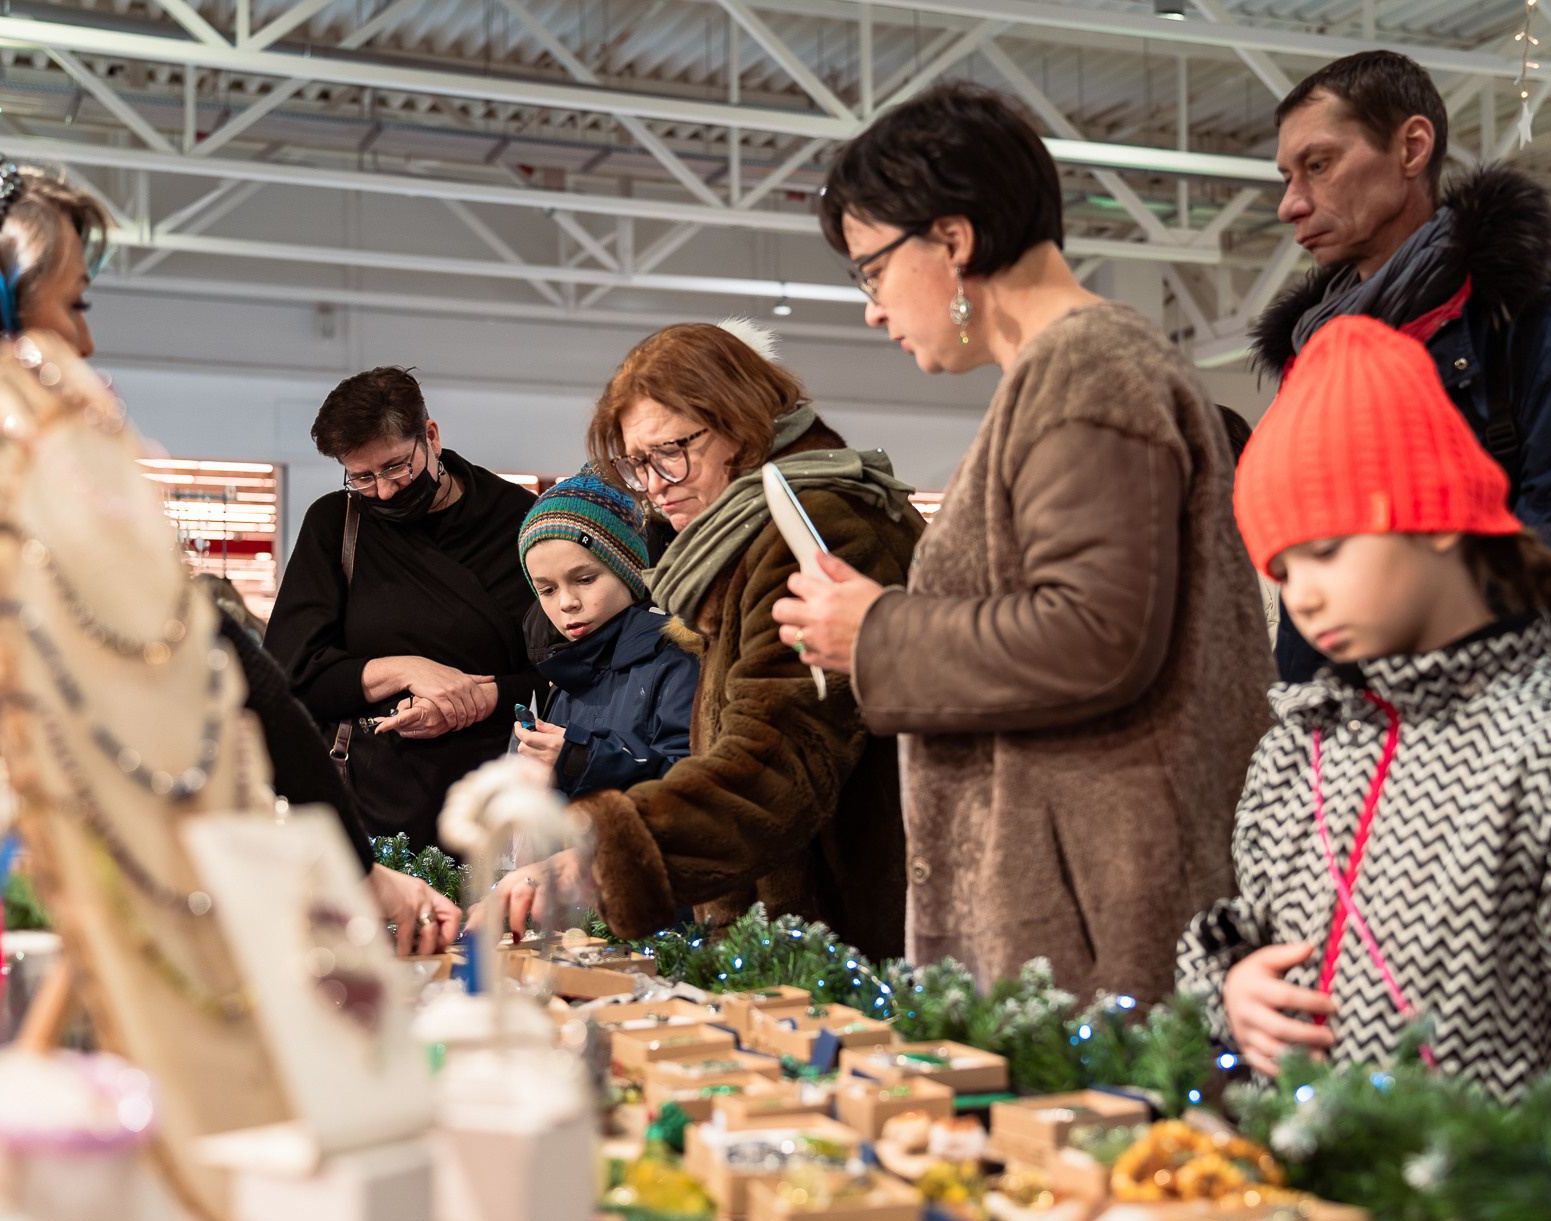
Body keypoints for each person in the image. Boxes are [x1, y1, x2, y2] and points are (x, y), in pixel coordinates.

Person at [1178, 315, 1551, 1182]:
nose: (1305, 598)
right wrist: (1231, 988)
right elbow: (1249, 934)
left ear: (1435, 517)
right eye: (1283, 572)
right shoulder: (1298, 749)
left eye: (1327, 551)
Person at [773, 85, 1273, 1004]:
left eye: (872, 271)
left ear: (953, 240)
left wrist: (878, 633)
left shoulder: (1088, 371)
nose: (874, 310)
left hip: (1097, 917)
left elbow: (1094, 633)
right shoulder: (1067, 374)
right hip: (1076, 891)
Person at [0, 137, 456, 952]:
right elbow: (250, 675)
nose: (85, 346)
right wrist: (354, 865)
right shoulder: (26, 510)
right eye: (76, 304)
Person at [1251, 51, 1551, 710]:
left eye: (1319, 165)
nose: (1290, 204)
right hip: (1342, 756)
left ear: (1411, 147)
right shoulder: (1314, 365)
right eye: (1287, 175)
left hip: (1499, 758)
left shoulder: (1538, 340)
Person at [571, 320, 921, 961]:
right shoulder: (745, 533)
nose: (653, 485)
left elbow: (782, 758)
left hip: (840, 940)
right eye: (636, 463)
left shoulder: (808, 530)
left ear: (741, 422)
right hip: (794, 928)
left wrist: (610, 854)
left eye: (671, 451)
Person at [265, 367, 539, 851]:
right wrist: (406, 671)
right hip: (365, 806)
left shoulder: (517, 521)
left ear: (430, 437)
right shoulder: (337, 523)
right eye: (362, 477)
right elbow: (292, 674)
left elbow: (560, 674)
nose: (385, 491)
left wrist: (468, 702)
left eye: (395, 467)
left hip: (497, 806)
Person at [483, 467, 698, 934]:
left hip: (656, 919)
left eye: (584, 579)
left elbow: (688, 786)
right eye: (547, 589)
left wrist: (579, 757)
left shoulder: (676, 662)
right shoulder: (562, 675)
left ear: (627, 568)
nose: (566, 604)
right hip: (576, 915)